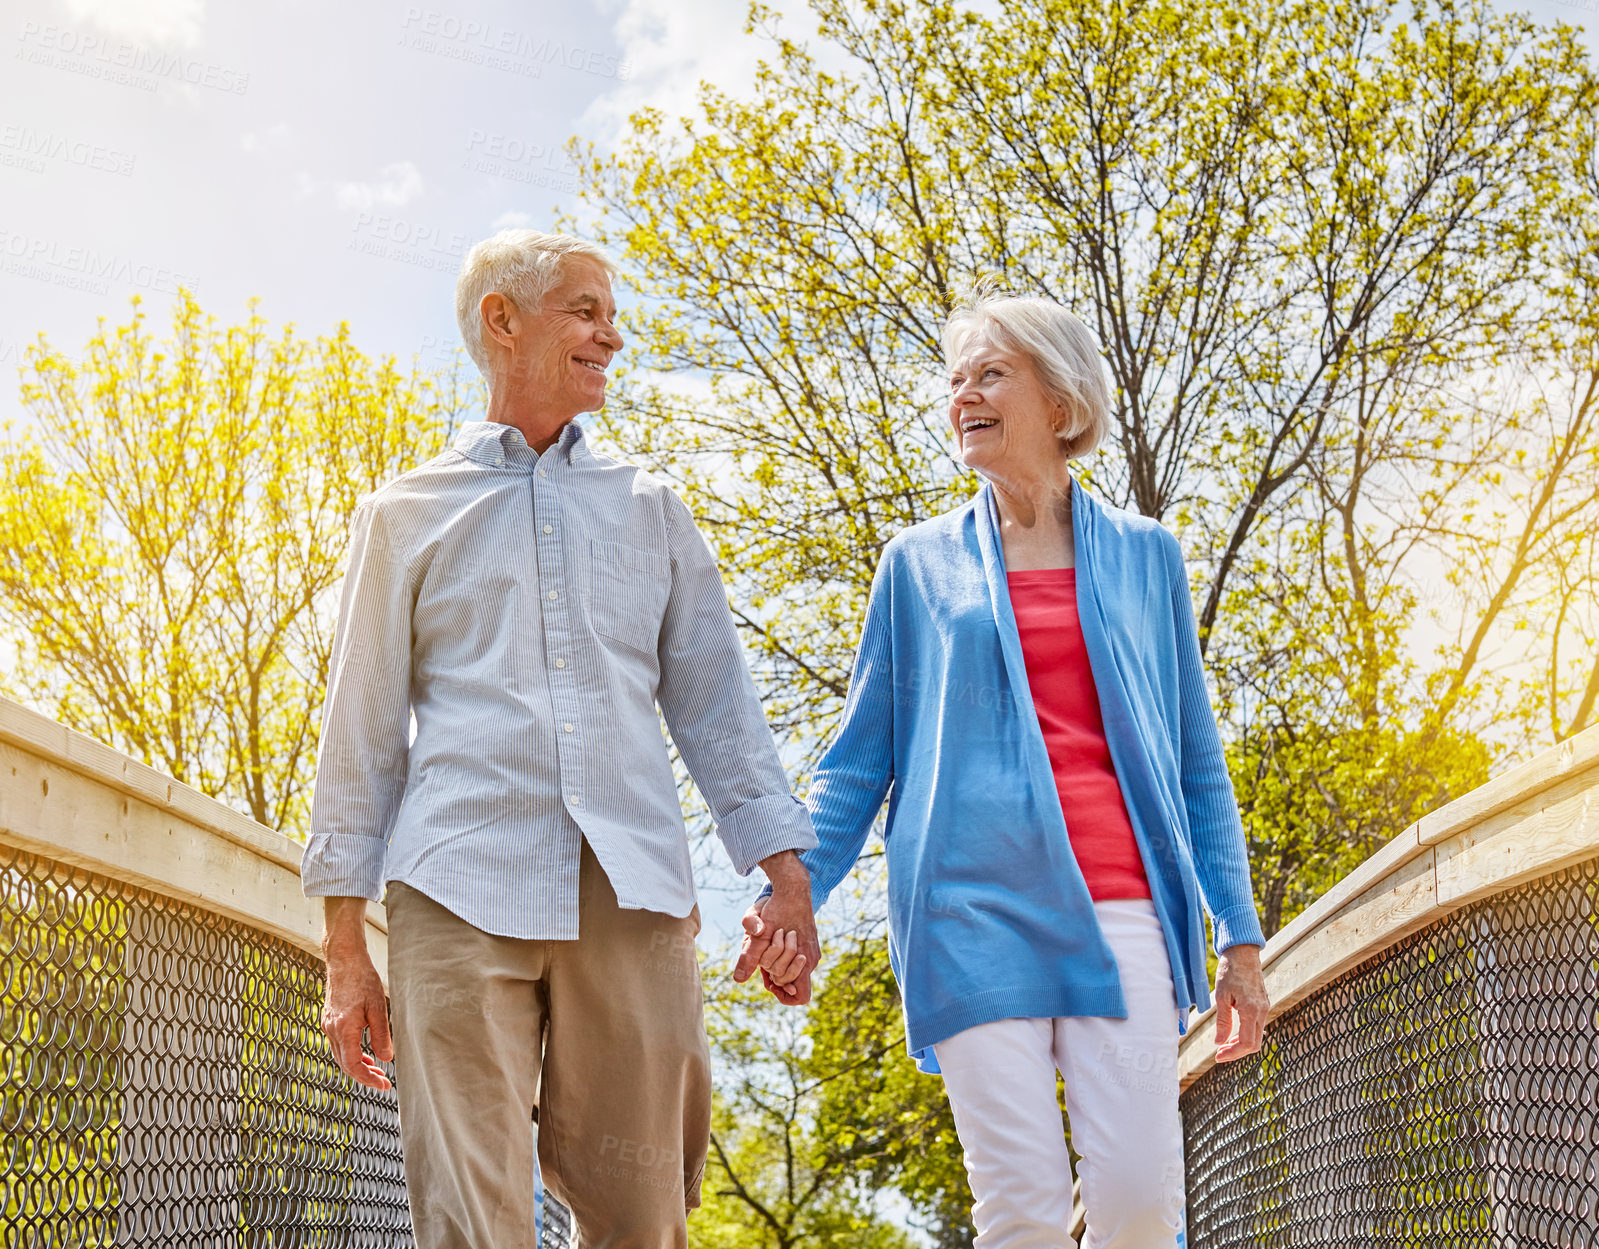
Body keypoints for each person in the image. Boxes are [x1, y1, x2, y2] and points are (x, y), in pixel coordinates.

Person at [302, 228, 821, 1249]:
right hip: (455, 885)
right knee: (470, 1216)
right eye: (585, 311)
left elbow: (719, 709)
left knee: (643, 1212)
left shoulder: (651, 509)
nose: (611, 336)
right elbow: (360, 731)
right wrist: (343, 949)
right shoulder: (404, 513)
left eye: (609, 315)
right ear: (504, 320)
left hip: (632, 888)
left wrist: (785, 879)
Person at [736, 287, 1271, 1247]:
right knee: (1020, 1211)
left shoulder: (1148, 556)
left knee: (1140, 1205)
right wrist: (794, 889)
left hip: (1122, 909)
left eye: (990, 374)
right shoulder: (915, 564)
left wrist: (1239, 940)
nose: (964, 397)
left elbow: (1195, 761)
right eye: (955, 381)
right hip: (968, 910)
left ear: (1059, 403)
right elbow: (857, 764)